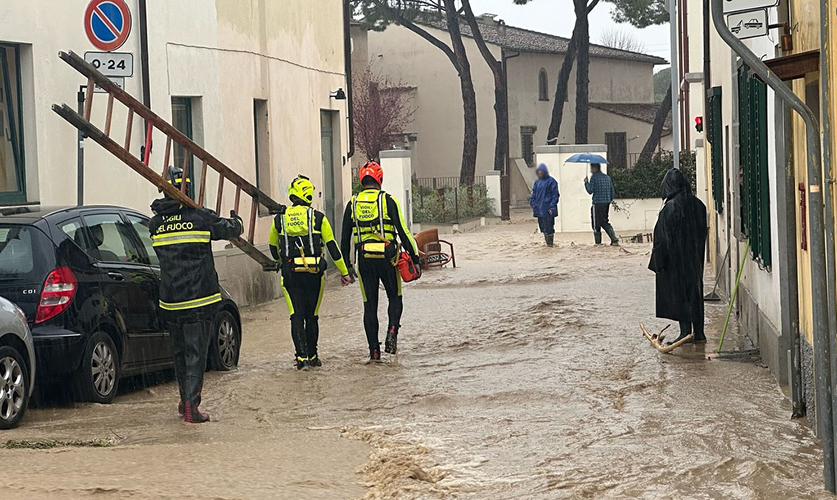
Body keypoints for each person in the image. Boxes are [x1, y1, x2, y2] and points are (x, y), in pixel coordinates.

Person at [149, 166, 244, 423]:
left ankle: (184, 401)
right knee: (195, 354)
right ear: (187, 189)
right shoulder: (200, 217)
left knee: (179, 353)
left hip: (170, 301)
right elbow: (230, 228)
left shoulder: (155, 223)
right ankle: (192, 406)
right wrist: (238, 221)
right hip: (200, 299)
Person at [269, 175, 353, 370]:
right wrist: (344, 272)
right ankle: (313, 356)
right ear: (307, 195)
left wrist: (281, 262)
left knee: (296, 315)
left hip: (290, 273)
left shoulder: (279, 220)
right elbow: (332, 246)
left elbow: (273, 248)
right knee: (312, 315)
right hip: (314, 274)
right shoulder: (318, 218)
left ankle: (301, 358)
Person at [341, 161, 420, 361]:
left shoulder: (353, 203)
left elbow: (344, 239)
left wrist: (347, 267)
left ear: (362, 180)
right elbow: (404, 232)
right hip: (388, 258)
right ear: (380, 179)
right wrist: (416, 258)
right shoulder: (388, 200)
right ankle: (392, 330)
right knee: (395, 297)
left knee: (370, 305)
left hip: (364, 260)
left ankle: (374, 352)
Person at [648, 168, 708, 344]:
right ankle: (699, 332)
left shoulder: (670, 208)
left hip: (675, 260)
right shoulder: (698, 205)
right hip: (695, 258)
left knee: (680, 294)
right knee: (695, 292)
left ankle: (685, 332)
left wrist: (659, 261)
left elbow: (662, 238)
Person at [584, 163, 619, 245]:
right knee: (605, 221)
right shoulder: (607, 177)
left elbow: (590, 190)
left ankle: (598, 244)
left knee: (596, 224)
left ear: (595, 168)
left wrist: (586, 182)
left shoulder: (594, 178)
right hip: (606, 203)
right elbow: (612, 191)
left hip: (597, 203)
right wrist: (608, 200)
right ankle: (614, 239)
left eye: (591, 168)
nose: (590, 170)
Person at [530, 163, 560, 247]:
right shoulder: (537, 182)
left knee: (549, 228)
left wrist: (552, 207)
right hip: (539, 210)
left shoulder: (552, 181)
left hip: (548, 210)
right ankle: (548, 244)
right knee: (542, 228)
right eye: (539, 171)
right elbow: (534, 193)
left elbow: (555, 195)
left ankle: (550, 244)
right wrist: (532, 202)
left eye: (541, 171)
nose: (540, 173)